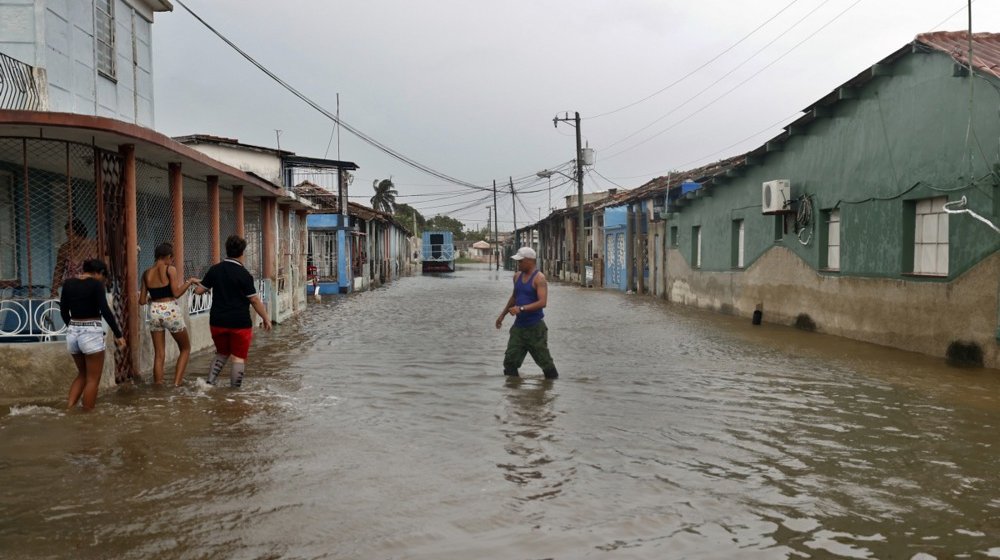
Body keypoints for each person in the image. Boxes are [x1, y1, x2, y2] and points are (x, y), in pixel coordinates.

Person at [191, 235, 272, 387]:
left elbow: (198, 291)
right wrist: (266, 318)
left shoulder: (215, 270)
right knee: (238, 357)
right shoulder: (245, 275)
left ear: (226, 251)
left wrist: (200, 283)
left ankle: (209, 384)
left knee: (221, 353)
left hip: (217, 322)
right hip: (239, 323)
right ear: (242, 253)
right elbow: (254, 300)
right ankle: (234, 394)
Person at [60, 259, 126, 410]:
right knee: (93, 380)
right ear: (99, 273)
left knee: (82, 374)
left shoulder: (68, 284)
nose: (103, 279)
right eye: (104, 276)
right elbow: (105, 310)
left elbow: (63, 311)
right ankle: (87, 417)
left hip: (72, 332)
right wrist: (118, 334)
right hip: (91, 332)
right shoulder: (96, 284)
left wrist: (73, 326)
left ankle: (69, 410)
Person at [495, 247, 559, 380]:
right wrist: (502, 315)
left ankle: (549, 390)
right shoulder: (517, 276)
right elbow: (514, 297)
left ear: (530, 261)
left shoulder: (539, 279)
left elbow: (543, 302)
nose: (518, 264)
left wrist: (521, 309)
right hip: (519, 328)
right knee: (509, 363)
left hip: (535, 329)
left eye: (521, 261)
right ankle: (514, 393)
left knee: (545, 364)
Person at [139, 242, 196, 386]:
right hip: (170, 310)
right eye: (172, 258)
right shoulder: (170, 269)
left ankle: (158, 386)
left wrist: (154, 298)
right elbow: (176, 293)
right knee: (185, 348)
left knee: (159, 354)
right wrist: (190, 282)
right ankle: (176, 384)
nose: (172, 261)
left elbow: (141, 301)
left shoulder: (146, 273)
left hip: (154, 312)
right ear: (167, 256)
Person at [51, 218, 101, 298]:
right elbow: (58, 270)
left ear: (80, 233)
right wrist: (54, 290)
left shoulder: (93, 246)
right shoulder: (64, 248)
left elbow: (102, 268)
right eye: (67, 235)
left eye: (72, 235)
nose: (69, 238)